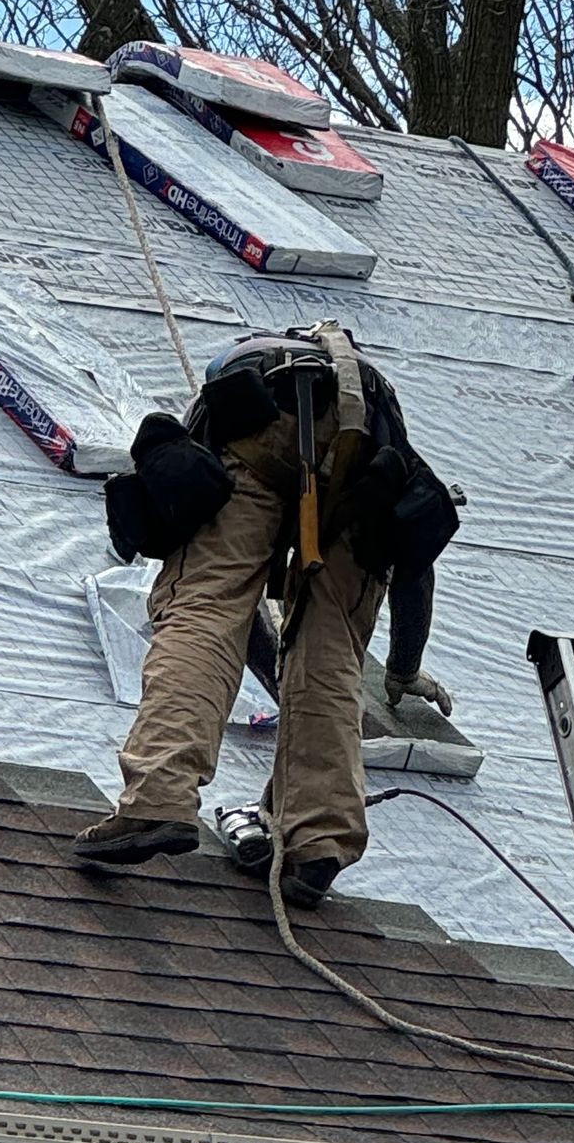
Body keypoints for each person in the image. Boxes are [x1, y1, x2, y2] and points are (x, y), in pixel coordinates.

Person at [71, 323, 460, 907]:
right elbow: (411, 560)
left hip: (260, 434)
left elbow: (220, 607)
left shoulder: (235, 381)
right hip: (363, 476)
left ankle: (159, 800)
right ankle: (318, 843)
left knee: (202, 611)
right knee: (329, 660)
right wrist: (403, 668)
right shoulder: (381, 418)